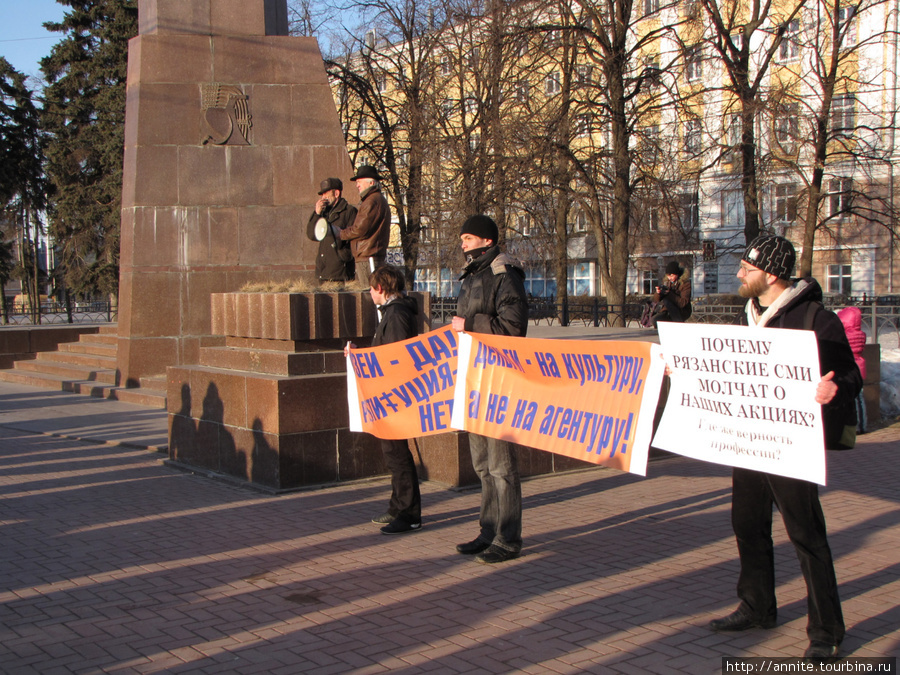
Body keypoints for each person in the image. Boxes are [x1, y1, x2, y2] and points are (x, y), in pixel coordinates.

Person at [708, 234, 862, 661]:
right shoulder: (749, 317)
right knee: (747, 524)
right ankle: (757, 606)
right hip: (750, 442)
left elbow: (851, 376)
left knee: (806, 534)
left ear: (771, 274)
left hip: (792, 444)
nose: (740, 273)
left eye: (747, 268)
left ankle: (826, 629)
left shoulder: (816, 319)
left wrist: (834, 388)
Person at [450, 214, 529, 564]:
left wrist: (468, 324)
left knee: (501, 467)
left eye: (468, 237)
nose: (462, 243)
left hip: (499, 380)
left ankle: (508, 538)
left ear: (485, 240)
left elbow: (513, 327)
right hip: (474, 379)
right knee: (482, 464)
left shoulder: (503, 274)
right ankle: (488, 530)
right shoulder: (473, 273)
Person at [345, 265, 422, 534]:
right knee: (393, 455)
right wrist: (359, 355)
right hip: (389, 394)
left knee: (398, 455)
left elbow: (397, 356)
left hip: (394, 395)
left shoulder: (398, 314)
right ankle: (398, 506)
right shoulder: (393, 312)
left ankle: (409, 513)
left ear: (380, 288)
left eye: (370, 288)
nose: (369, 292)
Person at [338, 165, 391, 285]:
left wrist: (341, 233)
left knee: (369, 293)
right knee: (372, 292)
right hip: (370, 254)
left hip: (368, 255)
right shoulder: (376, 199)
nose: (357, 185)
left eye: (359, 182)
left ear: (371, 182)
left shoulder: (371, 201)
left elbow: (360, 229)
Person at [306, 177, 356, 283]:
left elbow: (353, 236)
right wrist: (317, 214)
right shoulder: (324, 212)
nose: (323, 197)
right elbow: (311, 234)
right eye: (322, 194)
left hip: (340, 272)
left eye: (325, 193)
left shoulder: (349, 211)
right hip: (323, 270)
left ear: (336, 193)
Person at [837, 306, 867, 433]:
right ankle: (861, 425)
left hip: (852, 369)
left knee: (855, 400)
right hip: (859, 368)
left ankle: (859, 425)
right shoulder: (859, 333)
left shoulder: (847, 335)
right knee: (859, 399)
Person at [651, 260, 692, 326]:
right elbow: (656, 300)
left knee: (668, 303)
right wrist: (658, 293)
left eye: (672, 275)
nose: (670, 278)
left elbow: (683, 303)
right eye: (668, 276)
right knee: (654, 320)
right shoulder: (666, 282)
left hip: (682, 310)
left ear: (677, 274)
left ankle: (679, 326)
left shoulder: (685, 284)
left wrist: (669, 293)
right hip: (667, 310)